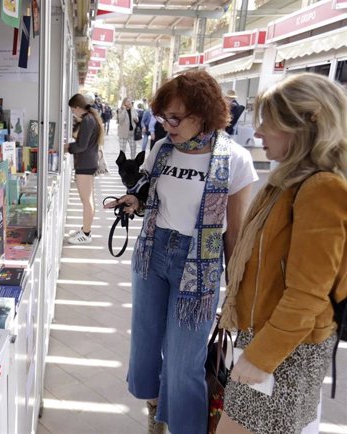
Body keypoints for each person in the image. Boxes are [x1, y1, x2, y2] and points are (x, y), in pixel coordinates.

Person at [105, 70, 258, 434]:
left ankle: (184, 427)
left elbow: (234, 235)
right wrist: (133, 203)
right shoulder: (162, 149)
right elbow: (148, 197)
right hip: (153, 253)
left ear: (202, 113)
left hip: (200, 264)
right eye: (163, 116)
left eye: (174, 117)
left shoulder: (235, 160)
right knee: (144, 344)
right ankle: (155, 410)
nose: (166, 125)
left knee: (184, 359)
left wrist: (235, 293)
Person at [217, 73, 347, 434]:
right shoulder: (291, 181)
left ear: (305, 123)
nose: (257, 133)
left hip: (285, 348)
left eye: (268, 122)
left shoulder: (321, 188)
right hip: (269, 337)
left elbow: (308, 292)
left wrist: (261, 357)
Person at [65, 93, 104, 245]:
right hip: (88, 162)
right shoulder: (90, 118)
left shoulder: (87, 120)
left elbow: (81, 146)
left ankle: (86, 233)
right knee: (88, 200)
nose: (72, 113)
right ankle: (85, 230)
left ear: (77, 107)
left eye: (72, 110)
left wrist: (67, 147)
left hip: (85, 164)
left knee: (86, 201)